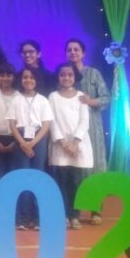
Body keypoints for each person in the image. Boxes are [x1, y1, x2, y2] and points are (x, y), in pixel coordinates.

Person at [65, 38, 110, 225]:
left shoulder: (93, 74)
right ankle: (73, 212)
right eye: (69, 50)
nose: (73, 52)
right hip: (70, 128)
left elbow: (106, 97)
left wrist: (91, 102)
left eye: (76, 49)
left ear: (83, 53)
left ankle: (95, 210)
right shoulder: (65, 74)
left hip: (92, 128)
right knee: (74, 170)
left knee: (95, 167)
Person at [48, 63, 93, 230]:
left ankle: (74, 215)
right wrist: (63, 143)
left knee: (76, 182)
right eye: (63, 75)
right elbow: (51, 121)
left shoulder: (81, 97)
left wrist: (75, 143)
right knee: (61, 181)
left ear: (75, 77)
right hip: (60, 146)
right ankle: (63, 215)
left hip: (78, 146)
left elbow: (84, 121)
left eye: (70, 75)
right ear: (58, 77)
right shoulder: (53, 96)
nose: (66, 77)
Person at [8, 68, 53, 230]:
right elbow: (12, 124)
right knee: (23, 177)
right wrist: (23, 143)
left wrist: (32, 143)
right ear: (21, 80)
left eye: (32, 77)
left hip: (38, 139)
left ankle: (37, 218)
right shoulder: (15, 99)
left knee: (37, 177)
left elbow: (46, 124)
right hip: (20, 139)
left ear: (37, 80)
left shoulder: (43, 100)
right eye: (25, 77)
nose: (28, 80)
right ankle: (22, 217)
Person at [0, 63, 18, 183]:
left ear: (13, 77)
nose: (5, 78)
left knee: (13, 172)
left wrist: (16, 142)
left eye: (8, 75)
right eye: (2, 75)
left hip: (15, 138)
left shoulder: (19, 96)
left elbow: (22, 121)